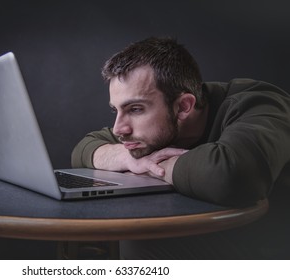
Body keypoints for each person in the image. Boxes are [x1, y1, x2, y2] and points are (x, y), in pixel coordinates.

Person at [71, 37, 290, 259]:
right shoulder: (146, 132)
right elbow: (85, 148)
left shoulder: (260, 105)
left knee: (139, 243)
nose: (119, 128)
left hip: (268, 252)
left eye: (135, 109)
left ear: (184, 106)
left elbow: (232, 176)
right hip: (212, 238)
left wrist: (154, 165)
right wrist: (127, 157)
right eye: (115, 110)